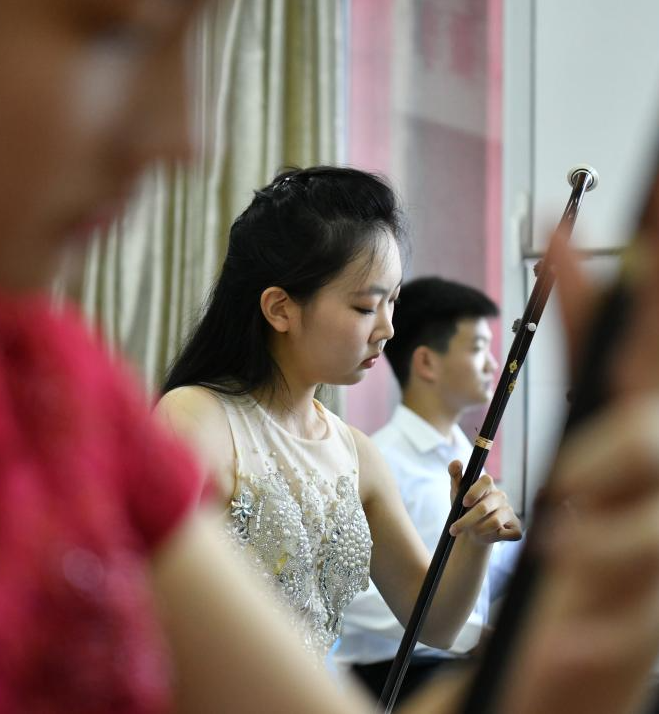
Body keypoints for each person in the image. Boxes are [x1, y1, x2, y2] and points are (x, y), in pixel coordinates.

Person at [0, 0, 659, 711]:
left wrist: (562, 648)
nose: (181, 135)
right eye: (119, 27)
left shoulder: (46, 378)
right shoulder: (187, 418)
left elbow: (402, 636)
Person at [155, 166, 524, 659]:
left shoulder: (357, 455)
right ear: (280, 308)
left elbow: (434, 622)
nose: (388, 329)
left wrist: (473, 538)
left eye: (393, 303)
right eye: (366, 307)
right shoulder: (197, 419)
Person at [336, 276, 521, 699]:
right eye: (478, 348)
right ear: (427, 363)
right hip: (396, 675)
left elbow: (480, 571)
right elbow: (353, 595)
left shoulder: (465, 454)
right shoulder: (380, 461)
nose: (493, 364)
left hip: (454, 663)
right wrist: (472, 633)